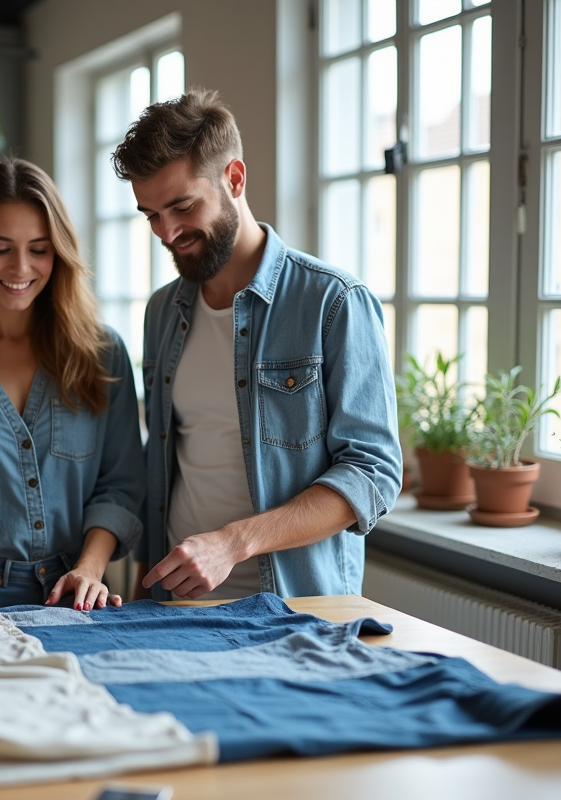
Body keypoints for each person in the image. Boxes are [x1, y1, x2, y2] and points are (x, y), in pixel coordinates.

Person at [111, 88, 402, 601]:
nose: (167, 232)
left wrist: (234, 543)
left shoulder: (333, 302)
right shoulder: (162, 312)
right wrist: (143, 584)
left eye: (181, 206)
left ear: (235, 178)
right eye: (151, 215)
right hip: (175, 607)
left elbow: (372, 473)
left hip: (294, 609)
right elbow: (163, 465)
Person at [0, 158, 145, 611]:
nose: (20, 267)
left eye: (39, 249)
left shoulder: (102, 354)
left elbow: (120, 486)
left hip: (79, 595)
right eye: (0, 248)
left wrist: (90, 569)